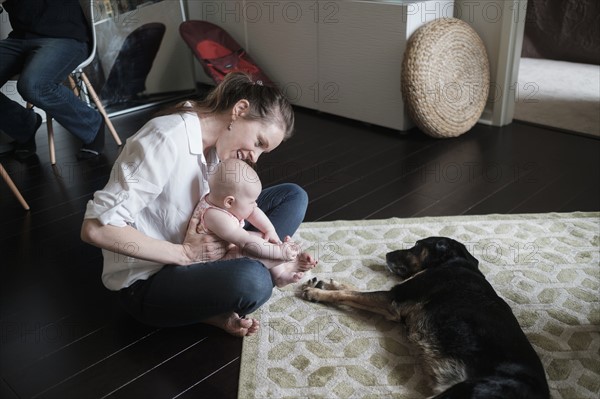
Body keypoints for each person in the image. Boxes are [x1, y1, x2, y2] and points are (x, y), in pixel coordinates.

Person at [81, 72, 316, 337]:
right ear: (239, 109)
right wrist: (185, 254)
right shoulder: (165, 139)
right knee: (254, 283)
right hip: (152, 279)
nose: (255, 157)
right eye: (258, 143)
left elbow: (230, 206)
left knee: (292, 196)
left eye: (264, 151)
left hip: (210, 247)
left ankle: (244, 268)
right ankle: (243, 279)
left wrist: (267, 236)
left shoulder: (218, 145)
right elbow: (95, 229)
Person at [0, 0, 105, 160]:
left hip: (64, 36)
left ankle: (92, 124)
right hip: (19, 39)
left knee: (34, 86)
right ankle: (24, 126)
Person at [197, 158, 314, 287]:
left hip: (229, 245)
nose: (255, 204)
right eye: (251, 202)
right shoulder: (214, 215)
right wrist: (278, 251)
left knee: (262, 238)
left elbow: (254, 211)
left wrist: (270, 231)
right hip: (215, 262)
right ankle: (280, 263)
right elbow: (245, 241)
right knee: (253, 247)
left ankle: (280, 273)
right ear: (229, 202)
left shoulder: (223, 203)